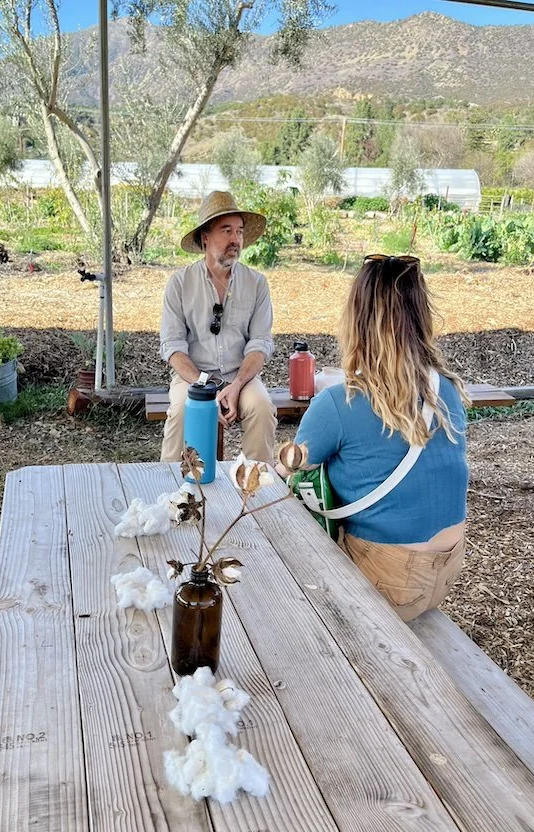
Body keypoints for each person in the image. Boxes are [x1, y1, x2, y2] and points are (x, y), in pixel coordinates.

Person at [290, 254, 469, 622]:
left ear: (357, 319)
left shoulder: (340, 402)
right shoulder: (447, 389)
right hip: (447, 568)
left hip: (388, 581)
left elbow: (291, 467)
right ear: (422, 316)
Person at [159, 191, 277, 465]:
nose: (236, 239)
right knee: (181, 410)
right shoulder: (180, 284)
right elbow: (172, 346)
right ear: (205, 237)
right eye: (227, 231)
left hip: (241, 376)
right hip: (193, 377)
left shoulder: (256, 283)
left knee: (261, 408)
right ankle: (168, 489)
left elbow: (260, 343)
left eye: (239, 231)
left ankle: (255, 492)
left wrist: (235, 385)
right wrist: (205, 386)